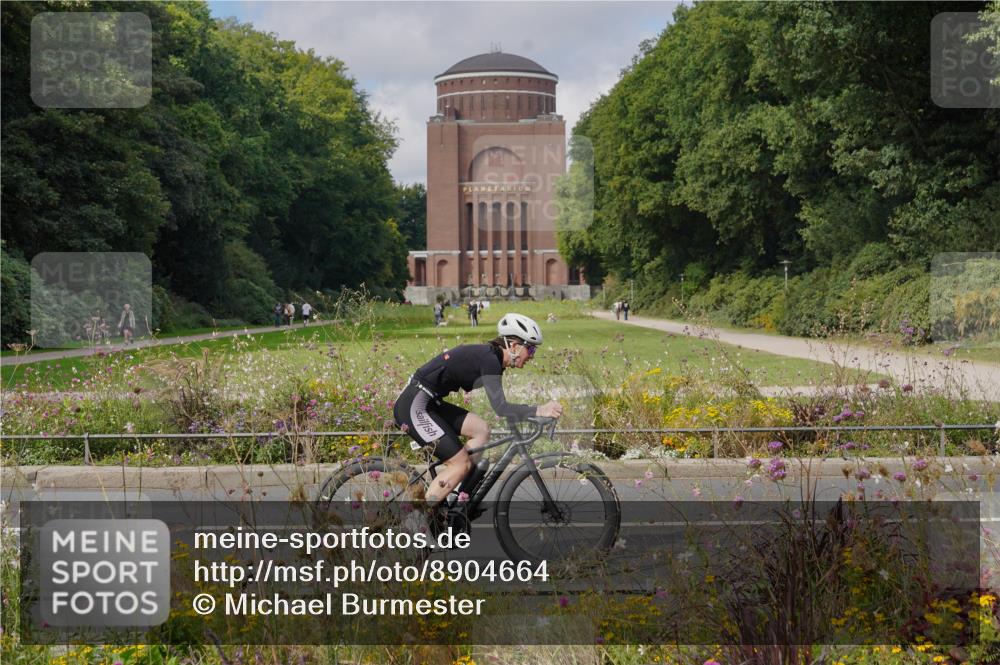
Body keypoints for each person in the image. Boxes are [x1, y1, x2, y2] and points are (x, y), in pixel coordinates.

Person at [394, 313, 563, 507]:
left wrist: (530, 411)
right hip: (415, 404)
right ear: (514, 345)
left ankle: (457, 500)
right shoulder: (490, 360)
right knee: (460, 463)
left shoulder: (493, 359)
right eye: (531, 348)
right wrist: (539, 410)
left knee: (481, 430)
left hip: (430, 402)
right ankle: (418, 518)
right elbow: (500, 407)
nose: (532, 356)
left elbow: (500, 405)